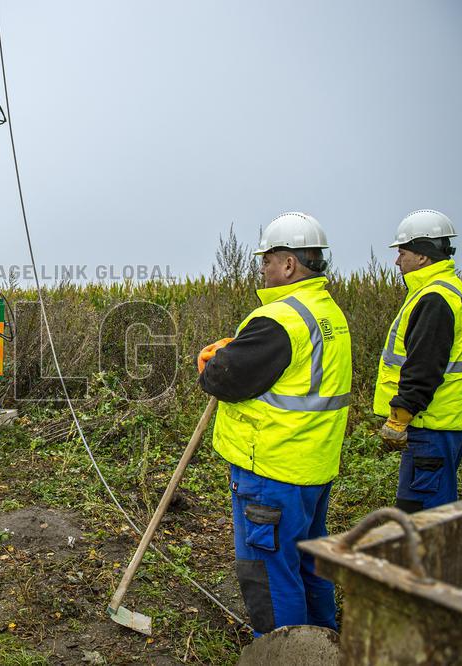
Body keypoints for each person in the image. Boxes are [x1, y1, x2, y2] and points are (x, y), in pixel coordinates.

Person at [197, 212, 351, 636]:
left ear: (288, 265)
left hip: (270, 472)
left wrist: (212, 362)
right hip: (311, 469)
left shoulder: (278, 319)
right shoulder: (327, 314)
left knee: (268, 574)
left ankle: (281, 653)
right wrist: (237, 350)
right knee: (307, 564)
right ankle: (326, 646)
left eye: (266, 262)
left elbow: (223, 379)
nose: (261, 271)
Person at [374, 210, 462, 513]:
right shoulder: (449, 290)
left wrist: (399, 418)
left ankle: (431, 563)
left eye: (402, 252)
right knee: (434, 510)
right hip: (444, 425)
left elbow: (423, 368)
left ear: (422, 256)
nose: (397, 261)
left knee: (422, 516)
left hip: (429, 427)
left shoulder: (434, 298)